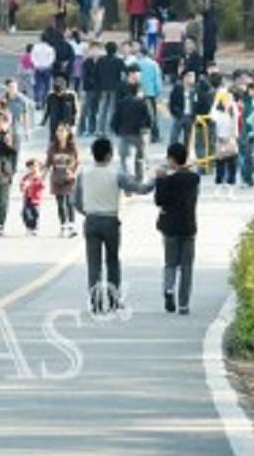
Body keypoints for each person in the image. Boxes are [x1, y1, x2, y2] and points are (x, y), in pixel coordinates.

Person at [73, 136, 154, 312]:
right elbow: (141, 189)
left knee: (93, 264)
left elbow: (75, 201)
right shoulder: (116, 174)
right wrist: (154, 179)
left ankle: (95, 302)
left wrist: (86, 212)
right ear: (109, 155)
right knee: (112, 261)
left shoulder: (83, 174)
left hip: (92, 220)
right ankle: (114, 300)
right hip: (110, 220)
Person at [153, 141, 200, 315]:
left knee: (170, 263)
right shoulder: (194, 179)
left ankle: (169, 290)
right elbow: (187, 177)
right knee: (187, 266)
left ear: (172, 159)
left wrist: (160, 179)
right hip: (188, 226)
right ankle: (184, 304)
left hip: (170, 227)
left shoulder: (167, 180)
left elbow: (159, 201)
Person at [111, 67, 154, 179]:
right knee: (140, 158)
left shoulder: (122, 102)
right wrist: (148, 128)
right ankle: (139, 178)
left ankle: (128, 181)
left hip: (125, 132)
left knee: (125, 158)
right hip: (140, 133)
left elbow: (116, 117)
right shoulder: (144, 102)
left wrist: (116, 130)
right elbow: (150, 117)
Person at [45, 121, 81, 237]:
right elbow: (48, 162)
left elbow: (77, 161)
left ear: (68, 132)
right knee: (60, 203)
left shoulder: (72, 146)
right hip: (57, 177)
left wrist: (73, 172)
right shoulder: (53, 146)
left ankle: (71, 225)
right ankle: (63, 225)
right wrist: (42, 175)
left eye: (62, 131)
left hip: (69, 177)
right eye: (58, 131)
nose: (60, 133)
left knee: (70, 201)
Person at [92, 41, 124, 136]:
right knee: (111, 109)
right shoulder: (119, 61)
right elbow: (124, 73)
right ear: (115, 50)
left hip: (102, 87)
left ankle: (98, 129)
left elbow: (95, 74)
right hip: (115, 87)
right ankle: (108, 129)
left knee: (102, 108)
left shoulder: (101, 60)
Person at [211, 99, 238, 197]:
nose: (227, 103)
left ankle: (231, 190)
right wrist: (216, 100)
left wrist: (232, 103)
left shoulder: (233, 114)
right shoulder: (218, 114)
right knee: (220, 166)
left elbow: (236, 114)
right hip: (220, 141)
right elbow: (212, 114)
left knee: (232, 167)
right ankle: (218, 189)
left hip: (231, 141)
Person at [1, 78, 32, 164]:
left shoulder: (22, 100)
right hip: (5, 124)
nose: (13, 89)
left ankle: (15, 159)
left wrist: (27, 130)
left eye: (15, 87)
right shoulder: (3, 99)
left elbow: (26, 115)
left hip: (17, 124)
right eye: (11, 87)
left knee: (16, 143)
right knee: (5, 144)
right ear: (6, 88)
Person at [41, 76, 78, 144]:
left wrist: (74, 123)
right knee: (53, 142)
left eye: (60, 92)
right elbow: (47, 110)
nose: (58, 94)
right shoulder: (51, 96)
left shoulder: (71, 96)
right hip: (54, 122)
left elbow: (75, 110)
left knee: (68, 142)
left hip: (67, 123)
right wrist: (44, 121)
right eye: (57, 92)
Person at [20, 159, 45, 236]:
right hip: (27, 198)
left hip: (35, 199)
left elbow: (42, 186)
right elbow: (21, 185)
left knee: (35, 213)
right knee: (25, 213)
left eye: (34, 167)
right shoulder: (26, 177)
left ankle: (35, 228)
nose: (32, 169)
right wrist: (23, 186)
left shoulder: (39, 177)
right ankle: (28, 227)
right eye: (30, 167)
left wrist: (32, 184)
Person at [30, 34, 56, 108]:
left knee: (38, 85)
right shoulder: (50, 48)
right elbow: (52, 59)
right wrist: (46, 65)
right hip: (47, 68)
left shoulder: (35, 47)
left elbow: (32, 57)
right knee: (46, 86)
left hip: (37, 68)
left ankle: (38, 101)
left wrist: (36, 65)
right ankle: (44, 101)